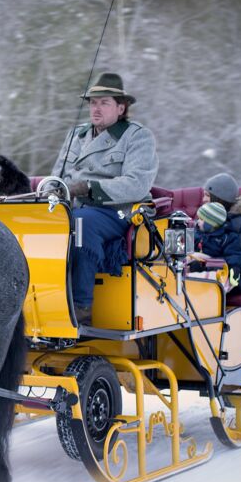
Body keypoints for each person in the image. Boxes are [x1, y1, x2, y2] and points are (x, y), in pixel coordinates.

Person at [50, 73, 159, 326]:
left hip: (118, 210)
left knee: (81, 224)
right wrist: (54, 190)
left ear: (121, 108)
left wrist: (88, 187)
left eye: (104, 102)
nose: (96, 108)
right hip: (75, 206)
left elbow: (137, 184)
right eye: (92, 102)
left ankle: (81, 305)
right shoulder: (76, 135)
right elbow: (58, 175)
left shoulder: (137, 136)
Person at [189, 173, 241, 295]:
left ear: (219, 198)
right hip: (204, 267)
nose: (203, 199)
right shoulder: (209, 216)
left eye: (207, 195)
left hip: (231, 276)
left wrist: (206, 265)